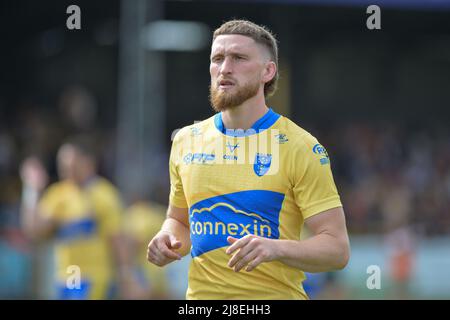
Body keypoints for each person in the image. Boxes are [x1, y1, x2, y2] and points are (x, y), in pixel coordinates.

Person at [147, 19, 350, 299]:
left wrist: (275, 248)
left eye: (239, 58)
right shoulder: (186, 140)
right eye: (217, 58)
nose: (225, 68)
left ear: (268, 71)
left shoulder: (300, 146)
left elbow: (337, 250)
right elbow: (178, 221)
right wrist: (166, 239)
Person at [20, 136, 128, 299]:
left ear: (88, 162)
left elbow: (117, 240)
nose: (67, 170)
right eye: (63, 166)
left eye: (72, 164)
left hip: (94, 278)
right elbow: (34, 230)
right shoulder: (58, 194)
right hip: (66, 278)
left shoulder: (104, 194)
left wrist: (126, 277)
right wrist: (31, 189)